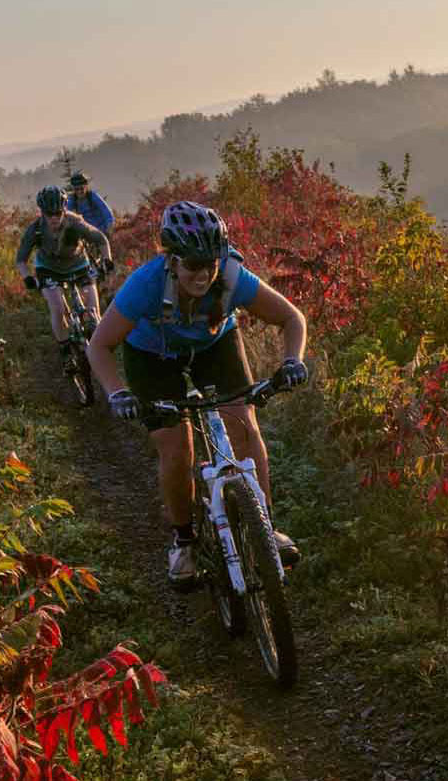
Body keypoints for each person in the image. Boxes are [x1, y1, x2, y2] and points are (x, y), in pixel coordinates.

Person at [84, 200, 308, 586]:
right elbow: (98, 345)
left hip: (214, 344)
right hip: (152, 354)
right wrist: (117, 392)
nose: (202, 275)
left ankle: (265, 528)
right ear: (172, 260)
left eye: (210, 264)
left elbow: (292, 318)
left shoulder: (233, 276)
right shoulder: (145, 284)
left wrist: (292, 361)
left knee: (243, 425)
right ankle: (183, 542)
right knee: (176, 447)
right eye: (192, 265)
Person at [15, 185, 114, 362]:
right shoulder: (35, 229)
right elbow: (21, 259)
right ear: (42, 212)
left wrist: (107, 260)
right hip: (48, 268)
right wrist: (27, 277)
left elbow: (101, 239)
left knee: (93, 313)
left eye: (58, 213)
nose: (53, 218)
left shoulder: (75, 222)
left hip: (78, 264)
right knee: (57, 309)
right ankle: (65, 350)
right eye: (48, 214)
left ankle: (98, 347)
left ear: (64, 210)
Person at [66, 172, 114, 236]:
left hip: (101, 231)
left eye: (82, 188)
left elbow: (107, 213)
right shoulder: (72, 200)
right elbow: (65, 212)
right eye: (76, 189)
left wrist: (108, 229)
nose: (79, 191)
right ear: (73, 189)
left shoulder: (92, 196)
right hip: (87, 233)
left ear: (86, 187)